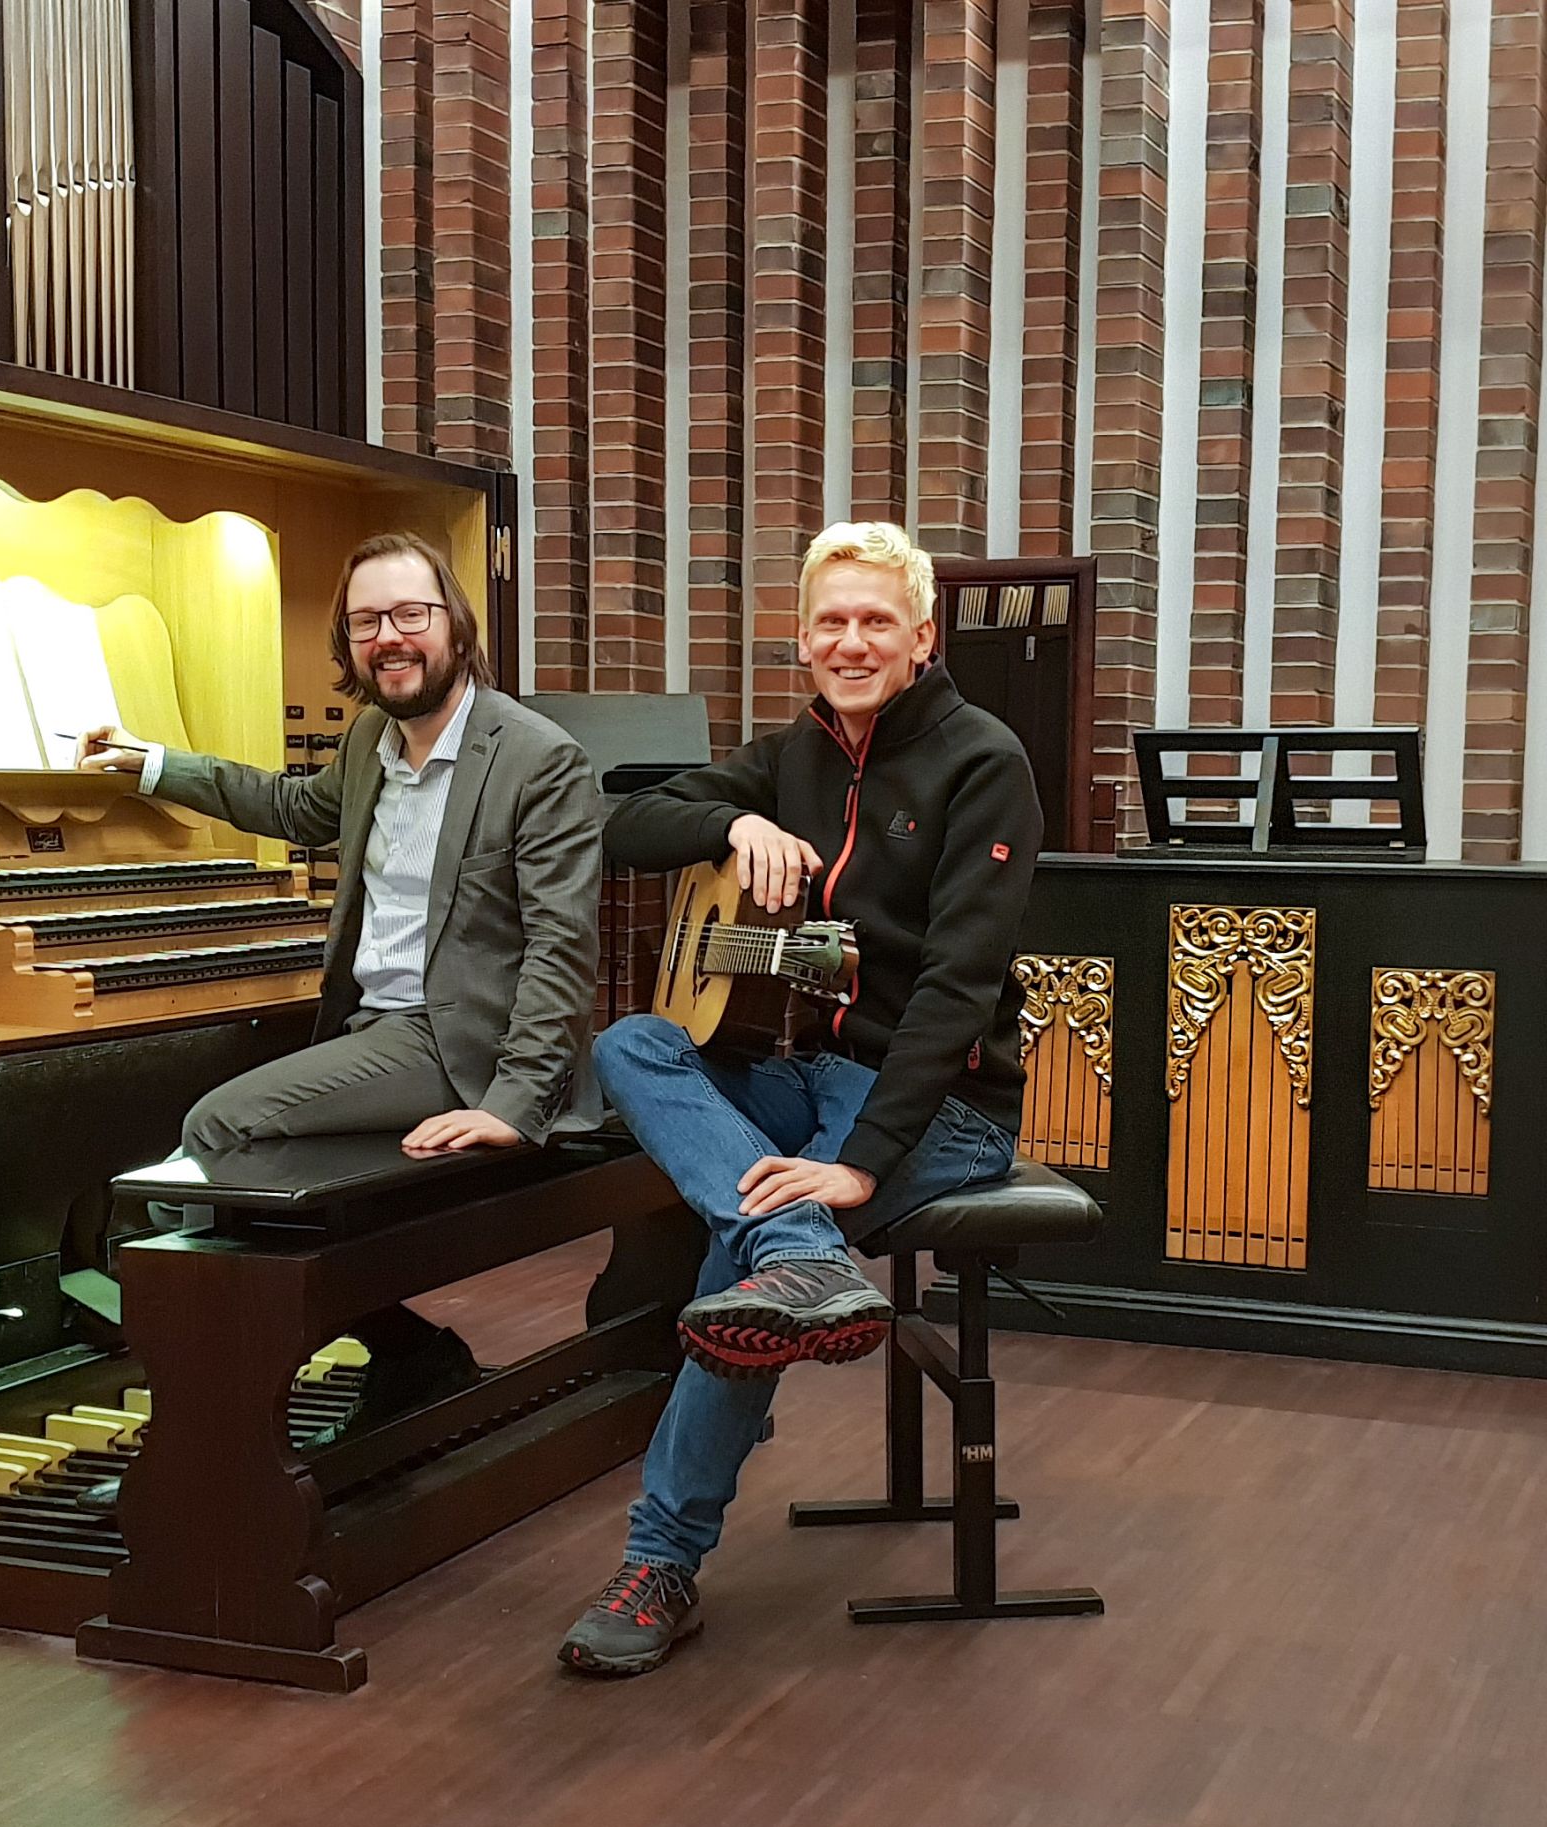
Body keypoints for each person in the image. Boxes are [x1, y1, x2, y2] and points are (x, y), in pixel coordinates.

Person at [557, 521, 1042, 1677]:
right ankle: (796, 1244)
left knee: (743, 1271)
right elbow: (623, 825)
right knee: (632, 1043)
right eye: (832, 620)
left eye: (877, 619)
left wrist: (860, 1167)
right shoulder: (791, 754)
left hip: (942, 1110)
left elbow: (956, 996)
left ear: (923, 636)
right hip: (807, 1076)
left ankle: (661, 1563)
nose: (852, 639)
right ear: (802, 638)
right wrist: (736, 819)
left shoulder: (987, 762)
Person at [79, 530, 605, 1467]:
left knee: (217, 1131)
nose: (389, 637)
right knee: (241, 1169)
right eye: (367, 621)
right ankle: (394, 1354)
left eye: (410, 614)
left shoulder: (537, 759)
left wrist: (514, 1110)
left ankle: (223, 1402)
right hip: (375, 1028)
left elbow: (563, 952)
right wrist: (154, 764)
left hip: (456, 1049)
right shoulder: (372, 738)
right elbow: (294, 812)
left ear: (454, 624)